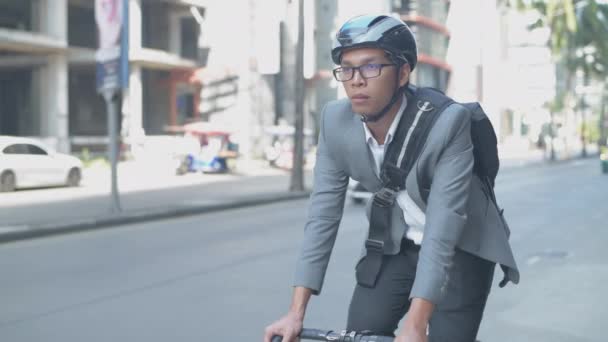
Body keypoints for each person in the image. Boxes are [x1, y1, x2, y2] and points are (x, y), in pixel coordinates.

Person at [263, 14, 519, 342]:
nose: (356, 80)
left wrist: (415, 325)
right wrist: (295, 314)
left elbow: (443, 229)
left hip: (461, 246)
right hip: (397, 244)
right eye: (347, 68)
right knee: (360, 332)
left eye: (371, 66)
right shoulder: (334, 122)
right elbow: (322, 217)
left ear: (402, 73)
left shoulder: (447, 124)